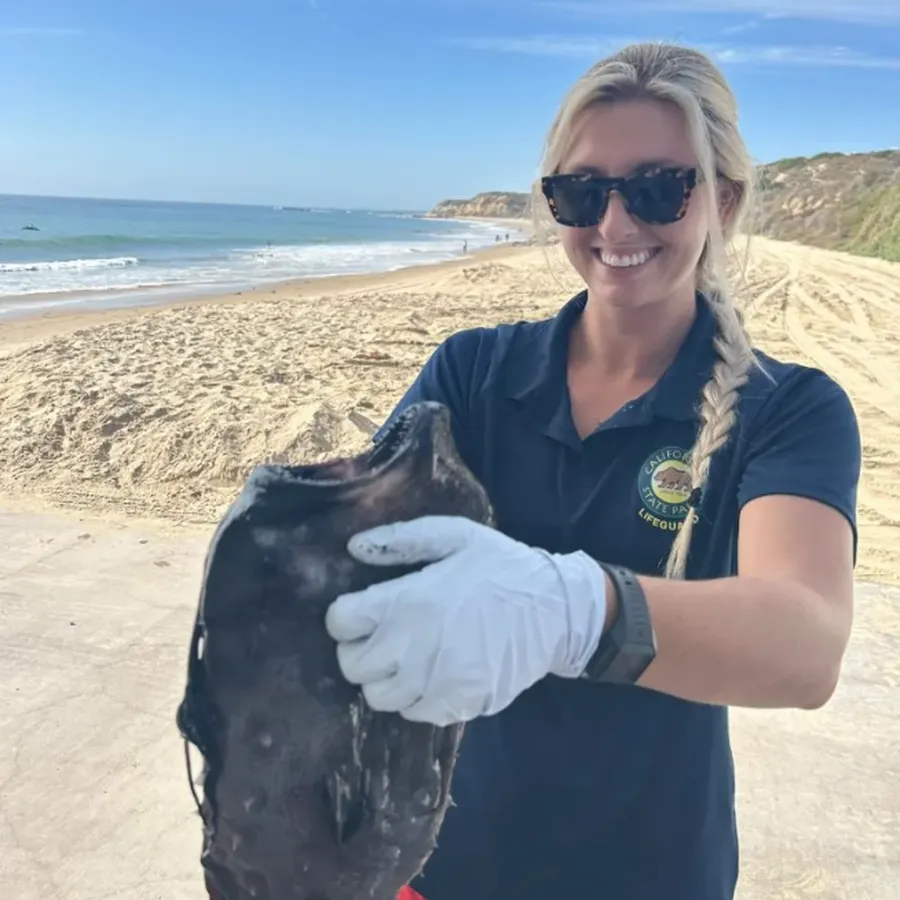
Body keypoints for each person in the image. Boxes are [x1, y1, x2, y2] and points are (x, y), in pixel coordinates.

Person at [327, 42, 861, 900]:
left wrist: (575, 611)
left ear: (721, 200)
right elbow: (350, 563)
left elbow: (805, 647)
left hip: (652, 872)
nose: (615, 227)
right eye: (582, 193)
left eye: (658, 189)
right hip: (438, 865)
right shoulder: (471, 376)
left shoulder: (788, 410)